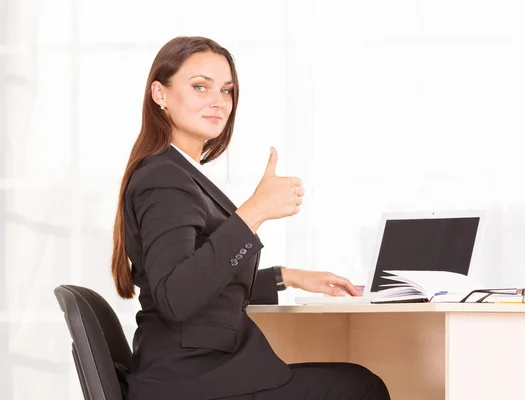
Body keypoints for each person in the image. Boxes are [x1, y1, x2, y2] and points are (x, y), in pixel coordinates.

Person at [111, 36, 391, 400]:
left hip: (193, 373)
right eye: (200, 87)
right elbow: (176, 296)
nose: (218, 101)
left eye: (227, 91)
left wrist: (288, 278)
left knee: (354, 380)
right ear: (159, 94)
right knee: (361, 387)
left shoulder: (175, 172)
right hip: (191, 380)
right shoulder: (164, 177)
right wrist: (254, 211)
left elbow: (202, 285)